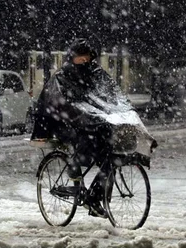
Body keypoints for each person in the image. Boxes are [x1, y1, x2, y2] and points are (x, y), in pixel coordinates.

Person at [31, 38, 135, 218]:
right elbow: (63, 103)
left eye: (86, 56)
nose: (84, 60)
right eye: (80, 57)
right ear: (72, 57)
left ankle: (94, 198)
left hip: (90, 122)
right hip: (63, 123)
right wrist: (84, 117)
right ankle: (77, 180)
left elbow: (111, 92)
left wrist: (125, 109)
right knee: (85, 143)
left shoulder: (96, 72)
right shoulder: (62, 76)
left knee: (110, 156)